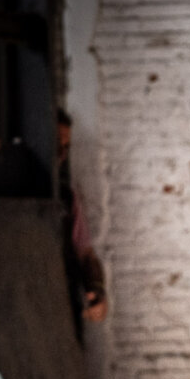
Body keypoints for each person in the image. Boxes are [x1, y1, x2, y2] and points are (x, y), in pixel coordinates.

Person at [57, 109, 107, 328]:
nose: (61, 153)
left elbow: (85, 252)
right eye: (56, 143)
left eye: (66, 146)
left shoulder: (66, 196)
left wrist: (97, 289)